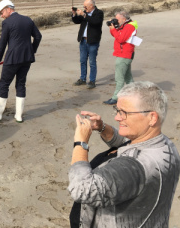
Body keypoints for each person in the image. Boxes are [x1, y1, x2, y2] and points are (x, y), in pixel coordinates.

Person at [68, 81, 180, 227]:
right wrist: (102, 128)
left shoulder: (134, 167)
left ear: (152, 118)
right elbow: (130, 141)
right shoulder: (165, 145)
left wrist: (80, 144)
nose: (117, 117)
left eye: (124, 113)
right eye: (117, 110)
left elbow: (81, 190)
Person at [0, 0, 42, 122]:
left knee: (4, 84)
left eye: (1, 13)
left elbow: (2, 43)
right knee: (21, 84)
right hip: (27, 58)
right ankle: (19, 115)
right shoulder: (28, 19)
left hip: (12, 58)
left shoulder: (7, 22)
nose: (1, 16)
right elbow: (38, 36)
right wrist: (32, 50)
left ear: (8, 9)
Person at [103, 10, 138, 105]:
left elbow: (121, 39)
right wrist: (113, 28)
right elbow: (117, 35)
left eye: (117, 19)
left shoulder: (129, 26)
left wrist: (113, 29)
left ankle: (116, 97)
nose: (116, 21)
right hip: (124, 54)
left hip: (125, 55)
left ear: (124, 18)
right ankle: (135, 95)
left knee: (119, 78)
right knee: (128, 77)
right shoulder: (125, 25)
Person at [72, 0, 104, 89]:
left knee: (92, 62)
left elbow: (95, 22)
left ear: (91, 6)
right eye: (84, 7)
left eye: (85, 6)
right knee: (82, 60)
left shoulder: (99, 13)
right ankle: (82, 79)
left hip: (93, 41)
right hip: (83, 40)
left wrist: (84, 15)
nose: (84, 8)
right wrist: (74, 14)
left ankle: (92, 81)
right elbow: (77, 21)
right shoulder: (85, 13)